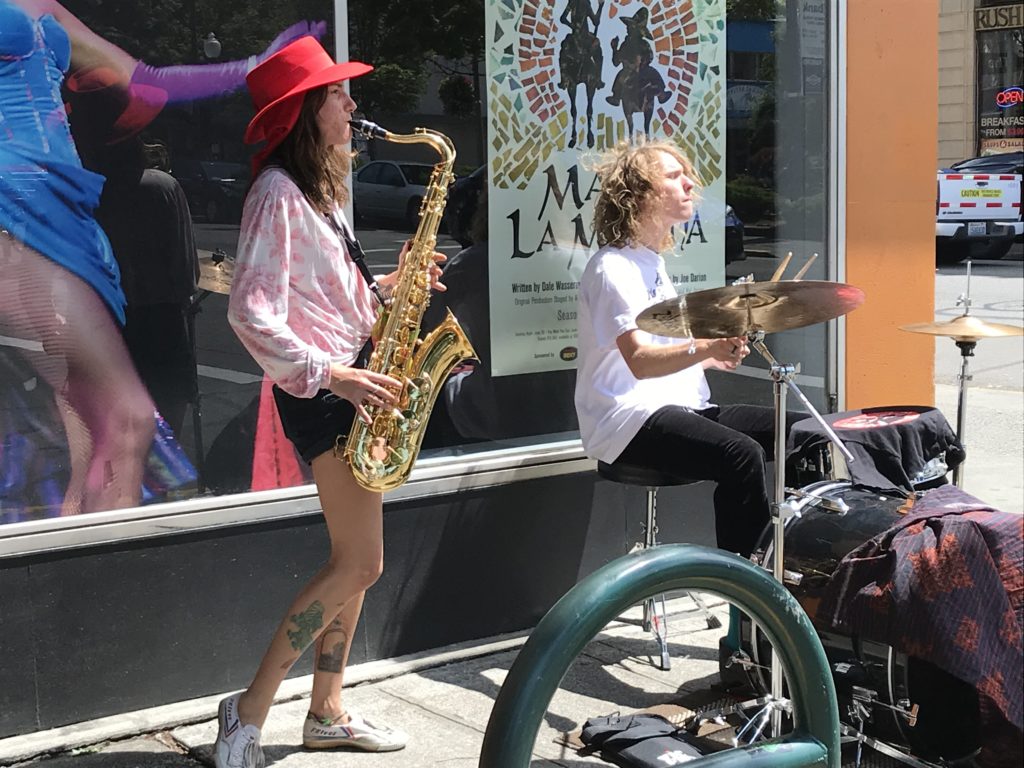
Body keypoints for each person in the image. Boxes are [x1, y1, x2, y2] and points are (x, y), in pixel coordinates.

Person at [0, 0, 319, 515]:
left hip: (66, 205)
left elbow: (146, 78)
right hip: (16, 205)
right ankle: (103, 582)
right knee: (127, 418)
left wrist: (249, 67)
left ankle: (75, 570)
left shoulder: (44, 8)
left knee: (91, 424)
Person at [221, 36, 444, 766]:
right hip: (327, 393)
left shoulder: (319, 196)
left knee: (359, 560)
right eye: (338, 94)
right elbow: (251, 313)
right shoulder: (276, 195)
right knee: (358, 564)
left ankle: (327, 710)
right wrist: (336, 375)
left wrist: (395, 285)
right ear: (306, 111)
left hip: (349, 380)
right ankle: (249, 711)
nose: (353, 105)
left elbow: (330, 303)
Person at [575, 139, 792, 558]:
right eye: (674, 177)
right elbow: (638, 362)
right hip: (627, 420)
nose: (690, 184)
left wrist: (713, 354)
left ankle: (798, 562)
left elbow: (666, 352)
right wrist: (702, 346)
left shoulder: (650, 262)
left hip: (679, 406)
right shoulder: (613, 268)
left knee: (801, 433)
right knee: (741, 455)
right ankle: (748, 592)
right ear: (640, 194)